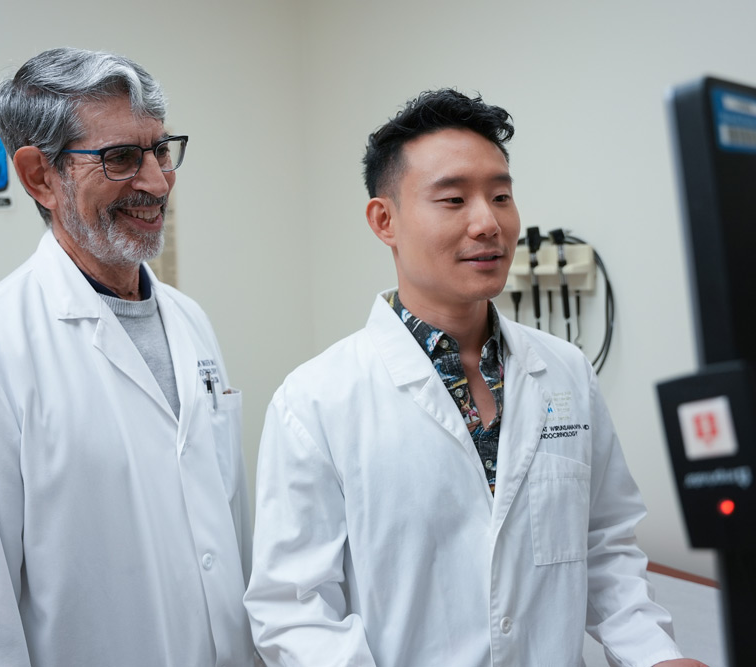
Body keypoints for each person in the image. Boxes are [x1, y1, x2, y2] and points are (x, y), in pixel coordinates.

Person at [244, 89, 708, 666]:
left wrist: (654, 655)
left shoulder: (564, 370)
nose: (488, 222)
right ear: (384, 220)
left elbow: (604, 546)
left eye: (501, 196)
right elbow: (294, 607)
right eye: (454, 199)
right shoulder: (315, 400)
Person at [0, 48, 255, 666]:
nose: (156, 182)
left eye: (161, 150)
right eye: (121, 158)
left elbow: (230, 531)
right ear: (41, 176)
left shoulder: (189, 320)